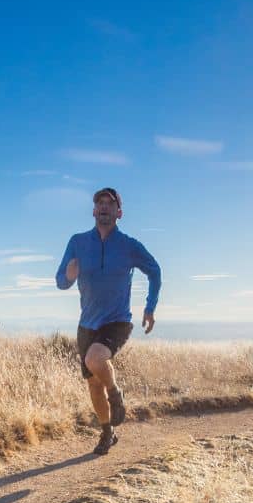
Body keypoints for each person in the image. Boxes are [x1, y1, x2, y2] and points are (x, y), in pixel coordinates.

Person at [55, 187, 161, 455]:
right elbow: (60, 282)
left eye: (110, 204)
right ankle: (107, 432)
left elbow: (155, 271)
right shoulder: (77, 242)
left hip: (117, 320)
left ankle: (116, 394)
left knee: (95, 359)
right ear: (93, 211)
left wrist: (149, 307)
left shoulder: (129, 246)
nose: (104, 207)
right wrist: (69, 275)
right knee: (92, 384)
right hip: (87, 323)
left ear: (119, 213)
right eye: (99, 203)